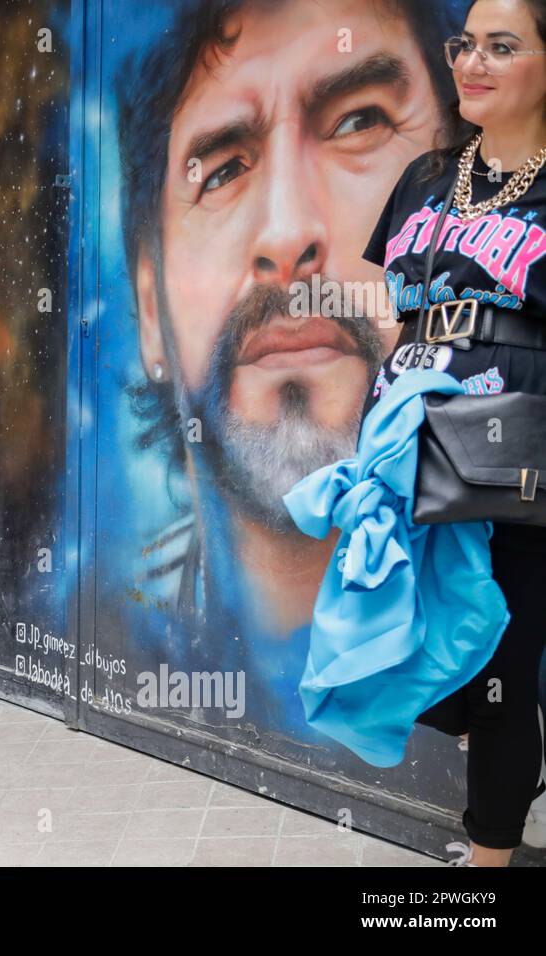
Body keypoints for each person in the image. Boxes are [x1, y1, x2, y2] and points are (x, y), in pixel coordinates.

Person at [114, 0, 465, 728]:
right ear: (150, 309)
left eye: (359, 121)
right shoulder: (118, 623)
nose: (285, 234)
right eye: (222, 169)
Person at [361, 0, 546, 866]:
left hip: (515, 461)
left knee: (503, 672)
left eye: (502, 47)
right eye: (466, 43)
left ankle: (489, 864)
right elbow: (391, 304)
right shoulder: (427, 176)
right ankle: (498, 755)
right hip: (415, 449)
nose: (473, 61)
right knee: (421, 645)